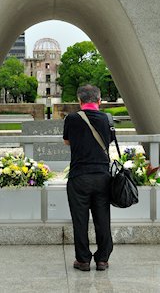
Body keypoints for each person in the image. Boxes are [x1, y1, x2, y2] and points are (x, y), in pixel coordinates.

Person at [63, 84, 114, 272]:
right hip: (102, 176)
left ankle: (83, 260)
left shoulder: (72, 118)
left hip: (79, 176)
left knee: (80, 220)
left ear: (79, 100)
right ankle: (102, 259)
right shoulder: (107, 119)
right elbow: (108, 142)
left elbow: (67, 141)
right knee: (102, 219)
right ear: (99, 100)